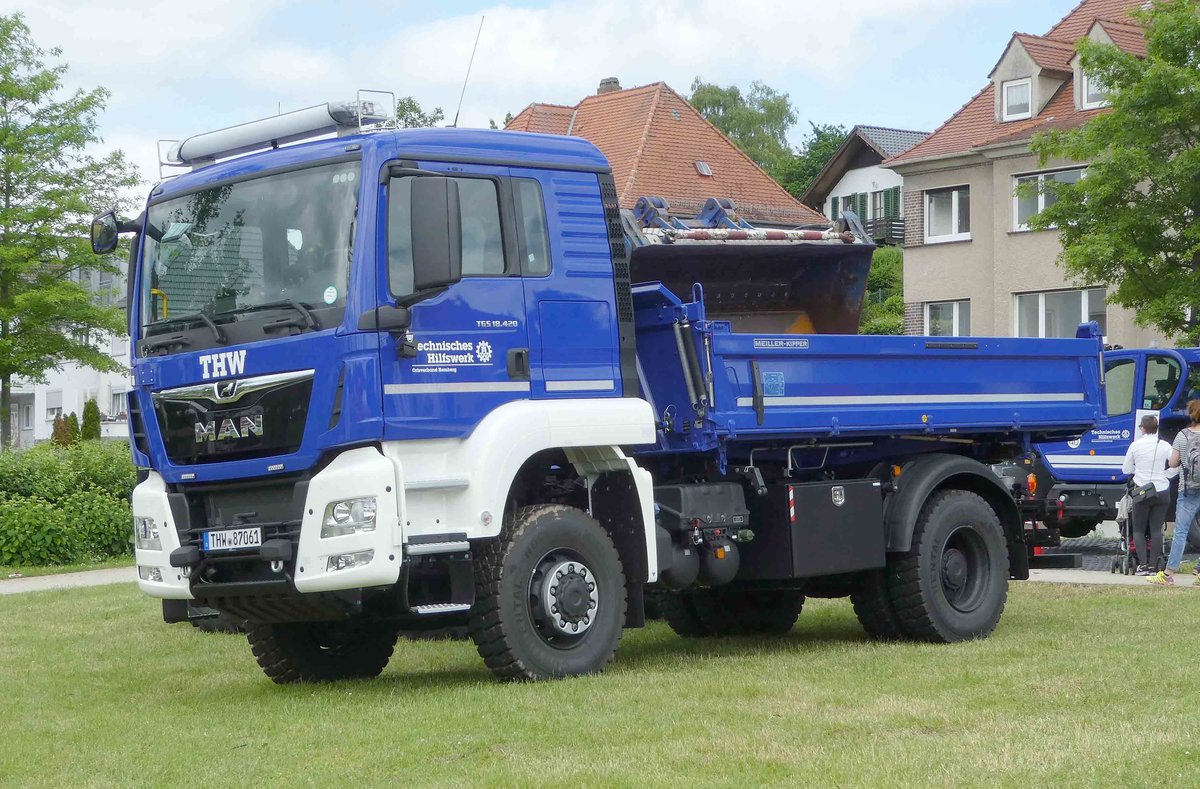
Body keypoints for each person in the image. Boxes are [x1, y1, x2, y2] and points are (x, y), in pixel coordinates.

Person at [1149, 400, 1200, 586]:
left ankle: (1168, 574)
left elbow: (1172, 463)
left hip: (1188, 490)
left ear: (1190, 415)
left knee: (1180, 531)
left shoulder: (1182, 435)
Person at [1122, 414, 1173, 575]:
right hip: (1162, 490)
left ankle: (1142, 565)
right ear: (1156, 428)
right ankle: (1153, 565)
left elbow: (1126, 469)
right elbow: (1175, 465)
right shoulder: (1165, 445)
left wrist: (1138, 472)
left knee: (1138, 529)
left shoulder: (1135, 446)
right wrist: (1165, 474)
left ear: (1142, 428)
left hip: (1142, 491)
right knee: (1156, 529)